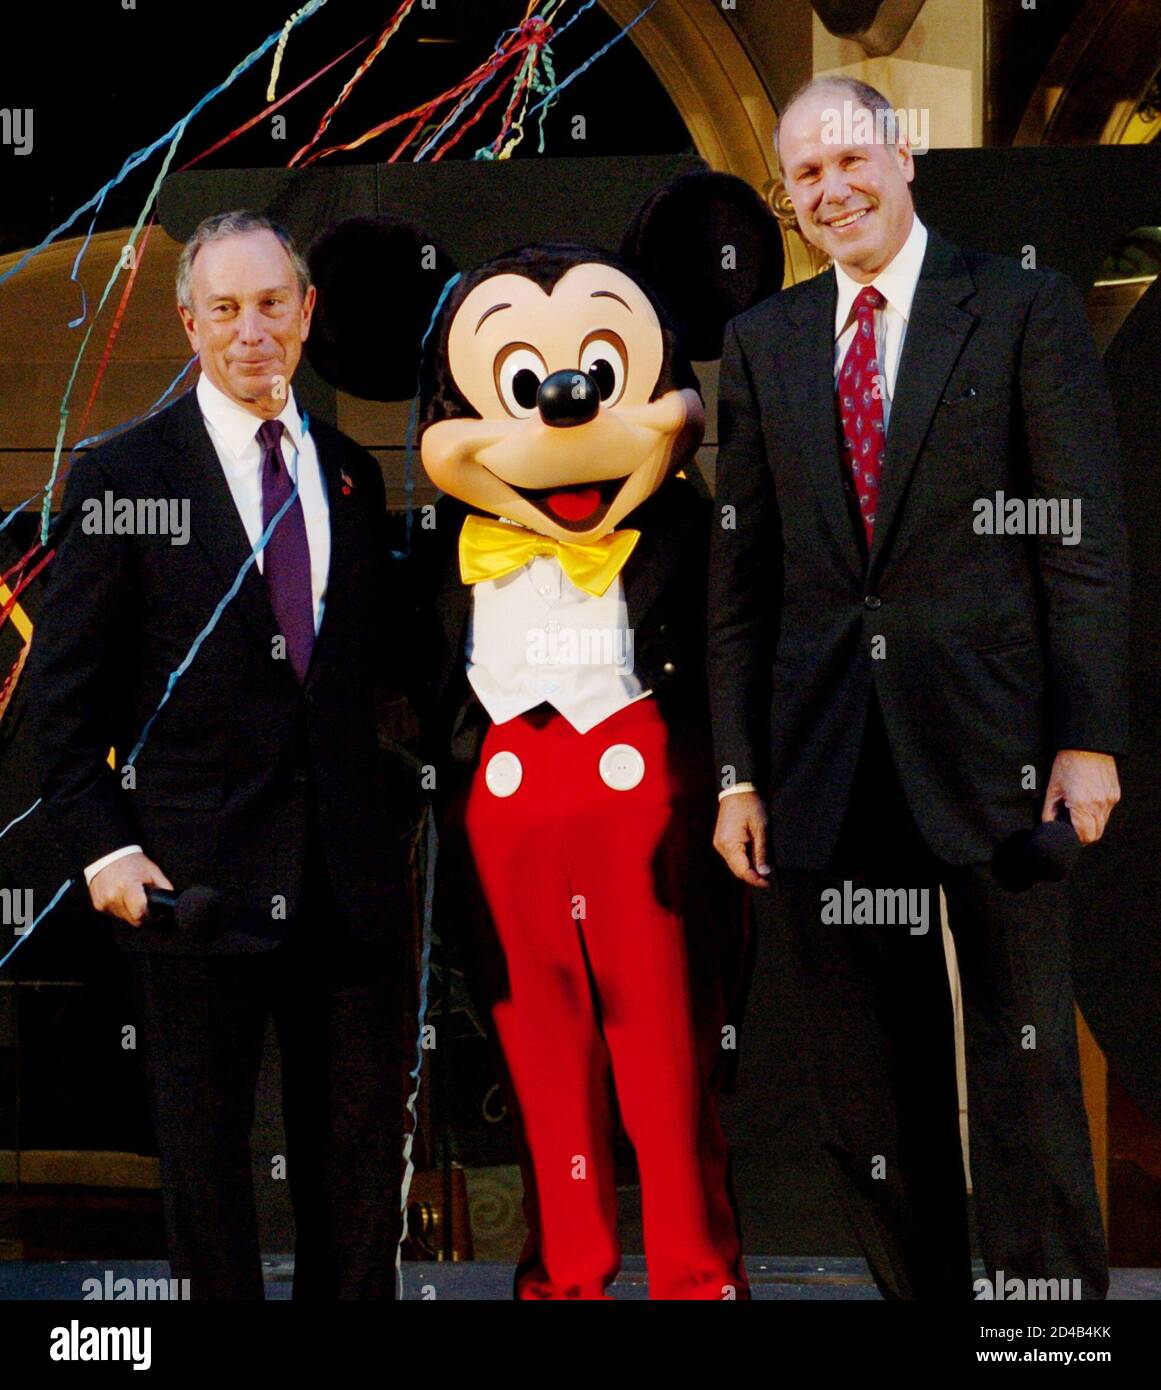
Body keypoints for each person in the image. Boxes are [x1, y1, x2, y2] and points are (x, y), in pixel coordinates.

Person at [708, 77, 1129, 1300]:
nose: (833, 189)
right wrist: (739, 772)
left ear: (902, 156)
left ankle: (1047, 1320)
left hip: (996, 753)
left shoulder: (1019, 306)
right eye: (808, 176)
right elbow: (742, 587)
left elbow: (1081, 542)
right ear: (791, 201)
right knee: (868, 1083)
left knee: (1025, 1052)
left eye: (851, 160)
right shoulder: (764, 341)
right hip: (829, 763)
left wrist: (1086, 737)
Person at [28, 211, 407, 1300]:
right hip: (190, 888)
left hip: (347, 887)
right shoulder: (122, 473)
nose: (253, 331)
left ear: (307, 313)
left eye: (272, 305)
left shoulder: (347, 471)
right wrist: (104, 852)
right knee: (207, 1175)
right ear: (190, 322)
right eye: (227, 310)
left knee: (356, 1174)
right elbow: (66, 701)